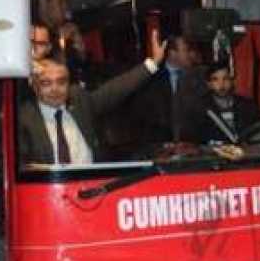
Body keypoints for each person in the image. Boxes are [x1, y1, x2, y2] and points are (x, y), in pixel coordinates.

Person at [17, 32, 166, 165]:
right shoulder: (24, 118)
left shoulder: (79, 100)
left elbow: (115, 90)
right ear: (35, 86)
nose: (55, 89)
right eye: (46, 83)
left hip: (92, 185)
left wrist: (152, 64)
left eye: (61, 82)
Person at [128, 35, 207, 145]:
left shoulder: (199, 76)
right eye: (187, 50)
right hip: (158, 144)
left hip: (193, 145)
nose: (191, 55)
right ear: (172, 53)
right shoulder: (151, 78)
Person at [194, 62, 260, 145]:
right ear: (209, 84)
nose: (221, 84)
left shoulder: (246, 105)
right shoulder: (200, 107)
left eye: (226, 78)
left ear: (232, 81)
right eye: (215, 79)